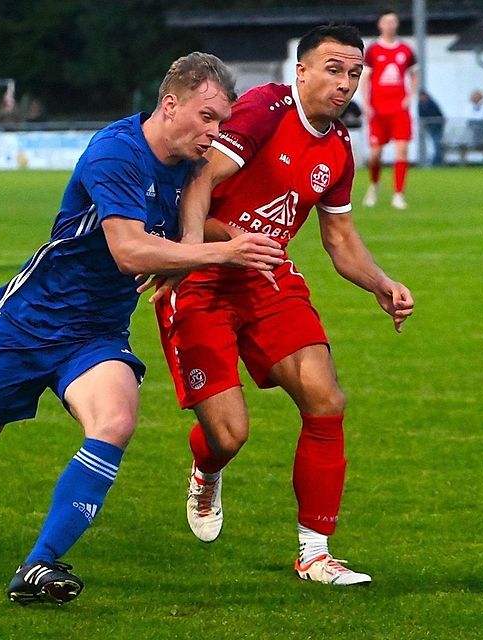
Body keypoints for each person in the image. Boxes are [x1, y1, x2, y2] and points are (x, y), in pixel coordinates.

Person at [0, 52, 284, 606]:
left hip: (95, 334)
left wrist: (193, 255)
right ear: (171, 105)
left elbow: (184, 235)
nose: (216, 134)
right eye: (209, 118)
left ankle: (38, 567)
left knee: (115, 420)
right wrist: (225, 251)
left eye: (223, 121)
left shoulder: (191, 165)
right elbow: (128, 251)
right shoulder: (117, 152)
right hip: (30, 324)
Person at [152, 25, 414, 587]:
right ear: (301, 71)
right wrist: (201, 252)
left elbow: (339, 240)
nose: (344, 84)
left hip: (266, 276)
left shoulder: (339, 146)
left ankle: (315, 552)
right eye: (333, 69)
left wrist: (381, 283)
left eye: (353, 74)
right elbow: (197, 180)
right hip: (203, 276)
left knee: (326, 398)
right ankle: (207, 467)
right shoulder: (265, 110)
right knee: (229, 435)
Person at [360, 10, 418, 209]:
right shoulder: (373, 50)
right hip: (378, 110)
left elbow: (414, 74)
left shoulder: (405, 50)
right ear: (380, 24)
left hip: (399, 110)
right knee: (376, 154)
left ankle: (398, 195)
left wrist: (410, 96)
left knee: (401, 151)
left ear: (397, 24)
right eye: (386, 21)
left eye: (393, 21)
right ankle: (374, 185)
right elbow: (365, 78)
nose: (390, 25)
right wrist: (366, 104)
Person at [417, 90, 444, 166]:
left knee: (437, 143)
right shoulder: (420, 104)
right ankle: (432, 161)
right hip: (429, 127)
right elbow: (421, 116)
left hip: (436, 127)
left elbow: (437, 115)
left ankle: (437, 161)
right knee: (433, 144)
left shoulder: (432, 104)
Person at [466, 89, 483, 162]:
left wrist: (481, 105)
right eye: (474, 97)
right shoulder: (469, 107)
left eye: (478, 97)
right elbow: (469, 117)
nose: (476, 99)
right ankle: (473, 161)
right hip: (473, 130)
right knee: (475, 145)